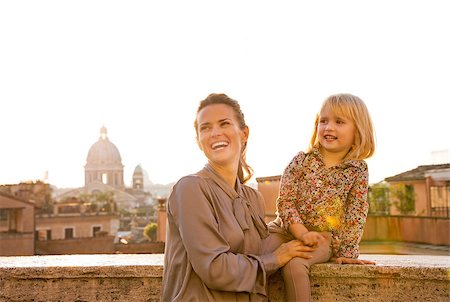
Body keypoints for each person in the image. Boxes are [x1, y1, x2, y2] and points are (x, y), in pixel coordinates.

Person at [162, 93, 314, 301]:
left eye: (224, 124)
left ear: (244, 134)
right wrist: (276, 259)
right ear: (199, 140)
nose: (215, 133)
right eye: (205, 128)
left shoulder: (253, 198)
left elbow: (264, 246)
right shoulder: (190, 189)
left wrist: (335, 246)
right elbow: (215, 269)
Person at [268, 93, 376, 302]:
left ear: (358, 131)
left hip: (321, 238)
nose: (329, 127)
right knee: (251, 253)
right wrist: (300, 232)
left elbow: (356, 213)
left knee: (295, 264)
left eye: (339, 122)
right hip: (283, 229)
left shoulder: (357, 170)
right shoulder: (301, 161)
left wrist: (348, 252)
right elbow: (286, 201)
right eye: (323, 121)